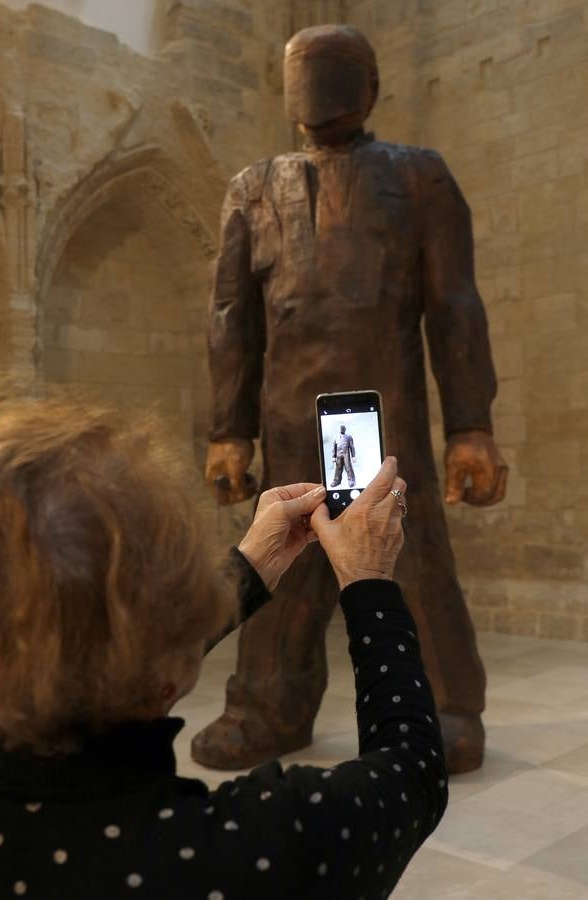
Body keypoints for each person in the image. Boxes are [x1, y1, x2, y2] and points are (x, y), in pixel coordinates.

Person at [201, 23, 508, 774]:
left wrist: (471, 424)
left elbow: (456, 306)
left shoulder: (418, 176)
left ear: (371, 86)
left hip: (385, 409)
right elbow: (231, 322)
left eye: (336, 71)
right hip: (287, 417)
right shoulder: (252, 187)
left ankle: (442, 707)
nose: (320, 87)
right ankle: (267, 706)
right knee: (285, 557)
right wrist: (228, 432)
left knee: (408, 552)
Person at [0, 398, 447, 900]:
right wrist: (368, 579)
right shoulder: (258, 845)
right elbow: (412, 772)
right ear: (168, 668)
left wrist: (252, 565)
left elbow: (104, 647)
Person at [331, 424, 356, 488]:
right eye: (341, 428)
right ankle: (336, 481)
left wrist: (353, 456)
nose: (342, 429)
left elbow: (352, 447)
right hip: (338, 455)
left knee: (348, 467)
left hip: (346, 454)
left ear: (345, 429)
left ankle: (351, 481)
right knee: (338, 468)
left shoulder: (348, 437)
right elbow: (334, 447)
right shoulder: (336, 437)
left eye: (343, 428)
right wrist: (333, 457)